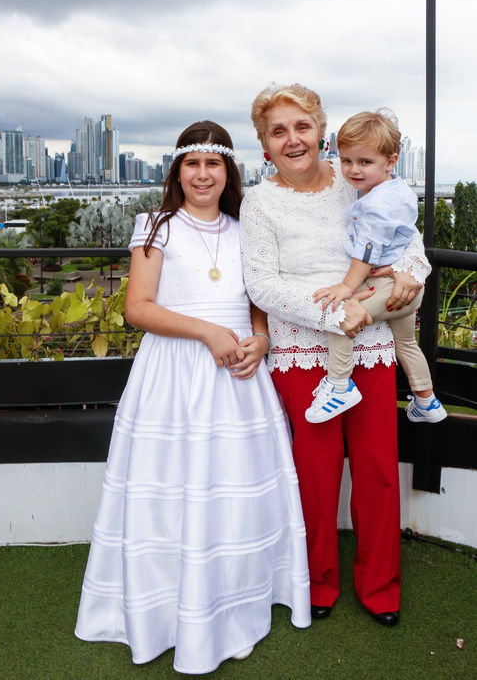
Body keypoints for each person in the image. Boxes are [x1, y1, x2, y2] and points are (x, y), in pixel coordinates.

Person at [75, 120, 311, 674]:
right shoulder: (156, 226)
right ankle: (165, 614)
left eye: (213, 164)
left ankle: (232, 610)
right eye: (192, 164)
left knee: (231, 492)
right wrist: (207, 333)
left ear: (228, 172)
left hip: (238, 381)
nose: (202, 175)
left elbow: (257, 301)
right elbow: (138, 308)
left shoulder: (246, 228)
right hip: (174, 378)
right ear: (177, 171)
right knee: (173, 491)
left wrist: (261, 340)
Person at [240, 84, 432, 627]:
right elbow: (262, 285)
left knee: (378, 471)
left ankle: (381, 587)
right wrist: (334, 316)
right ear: (264, 145)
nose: (292, 139)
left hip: (370, 347)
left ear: (320, 132)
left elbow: (407, 240)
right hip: (304, 350)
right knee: (315, 474)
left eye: (302, 127)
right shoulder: (258, 202)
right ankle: (316, 581)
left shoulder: (358, 178)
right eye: (278, 131)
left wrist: (410, 274)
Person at [306, 109, 446, 425]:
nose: (354, 169)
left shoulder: (376, 204)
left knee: (342, 316)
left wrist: (347, 287)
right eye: (347, 160)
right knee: (407, 344)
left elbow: (367, 251)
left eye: (365, 162)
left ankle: (339, 385)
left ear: (391, 161)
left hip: (387, 287)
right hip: (406, 287)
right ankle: (427, 401)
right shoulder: (395, 189)